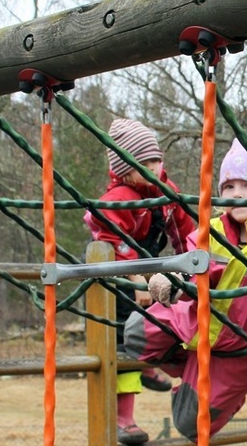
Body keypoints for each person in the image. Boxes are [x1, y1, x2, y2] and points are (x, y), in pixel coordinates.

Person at [122, 134, 247, 442]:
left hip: (243, 349)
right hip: (197, 321)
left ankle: (214, 388)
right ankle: (190, 365)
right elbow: (192, 263)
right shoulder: (213, 229)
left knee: (190, 425)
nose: (236, 195)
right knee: (135, 332)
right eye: (229, 187)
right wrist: (174, 278)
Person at [84, 118, 196, 445]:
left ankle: (149, 362)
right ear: (122, 169)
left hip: (150, 269)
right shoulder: (118, 198)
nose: (152, 169)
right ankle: (124, 418)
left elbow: (184, 232)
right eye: (142, 164)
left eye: (155, 161)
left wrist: (191, 264)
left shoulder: (166, 192)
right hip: (114, 273)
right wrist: (137, 281)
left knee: (174, 315)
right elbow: (113, 243)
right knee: (120, 338)